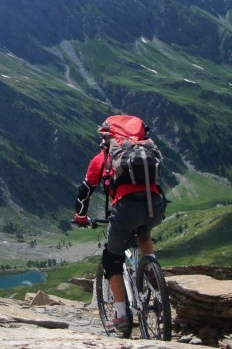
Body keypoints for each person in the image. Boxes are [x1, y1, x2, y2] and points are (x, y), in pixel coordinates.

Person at [73, 119, 167, 336]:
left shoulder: (104, 158)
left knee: (111, 259)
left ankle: (122, 316)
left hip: (126, 210)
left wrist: (80, 218)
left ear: (107, 138)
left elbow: (84, 191)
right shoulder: (146, 151)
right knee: (143, 233)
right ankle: (153, 281)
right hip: (155, 206)